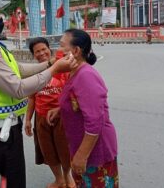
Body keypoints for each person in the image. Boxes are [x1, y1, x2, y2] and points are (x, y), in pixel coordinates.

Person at [0, 0, 77, 188]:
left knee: (4, 177)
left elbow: (19, 69)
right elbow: (18, 88)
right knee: (9, 180)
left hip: (4, 125)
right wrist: (55, 69)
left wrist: (48, 64)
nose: (0, 18)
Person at [47, 28, 118, 188]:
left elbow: (95, 120)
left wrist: (81, 156)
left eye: (61, 45)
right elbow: (77, 101)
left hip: (95, 152)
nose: (58, 51)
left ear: (76, 51)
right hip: (80, 146)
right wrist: (60, 110)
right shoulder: (74, 72)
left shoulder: (86, 76)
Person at [25, 37, 75, 188]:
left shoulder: (62, 66)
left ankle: (68, 178)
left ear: (49, 49)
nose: (41, 53)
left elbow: (73, 92)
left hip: (62, 117)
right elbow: (32, 98)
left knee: (65, 150)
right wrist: (28, 119)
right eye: (37, 51)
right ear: (33, 55)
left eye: (43, 49)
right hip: (41, 118)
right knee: (48, 151)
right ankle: (59, 179)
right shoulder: (34, 73)